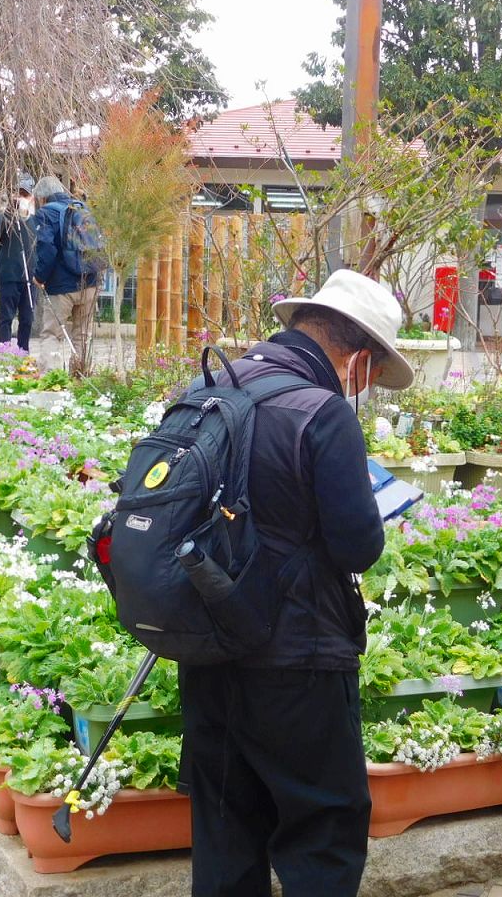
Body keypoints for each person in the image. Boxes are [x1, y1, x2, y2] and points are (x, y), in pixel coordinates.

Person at [179, 269, 413, 897]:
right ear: (358, 357)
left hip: (207, 645)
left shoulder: (207, 389)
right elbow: (358, 547)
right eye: (369, 374)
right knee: (323, 841)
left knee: (227, 837)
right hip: (298, 657)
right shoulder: (322, 413)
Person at [31, 175, 100, 374]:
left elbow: (47, 250)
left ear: (42, 198)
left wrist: (39, 277)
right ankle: (80, 376)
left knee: (52, 334)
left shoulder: (46, 214)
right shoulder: (83, 208)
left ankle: (51, 381)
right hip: (90, 282)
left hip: (61, 287)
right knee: (82, 335)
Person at [0, 177, 38, 351]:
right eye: (18, 193)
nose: (21, 197)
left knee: (27, 317)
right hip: (9, 273)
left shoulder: (36, 221)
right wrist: (10, 211)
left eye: (25, 194)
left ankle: (23, 351)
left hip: (29, 275)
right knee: (6, 317)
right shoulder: (6, 217)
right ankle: (5, 350)